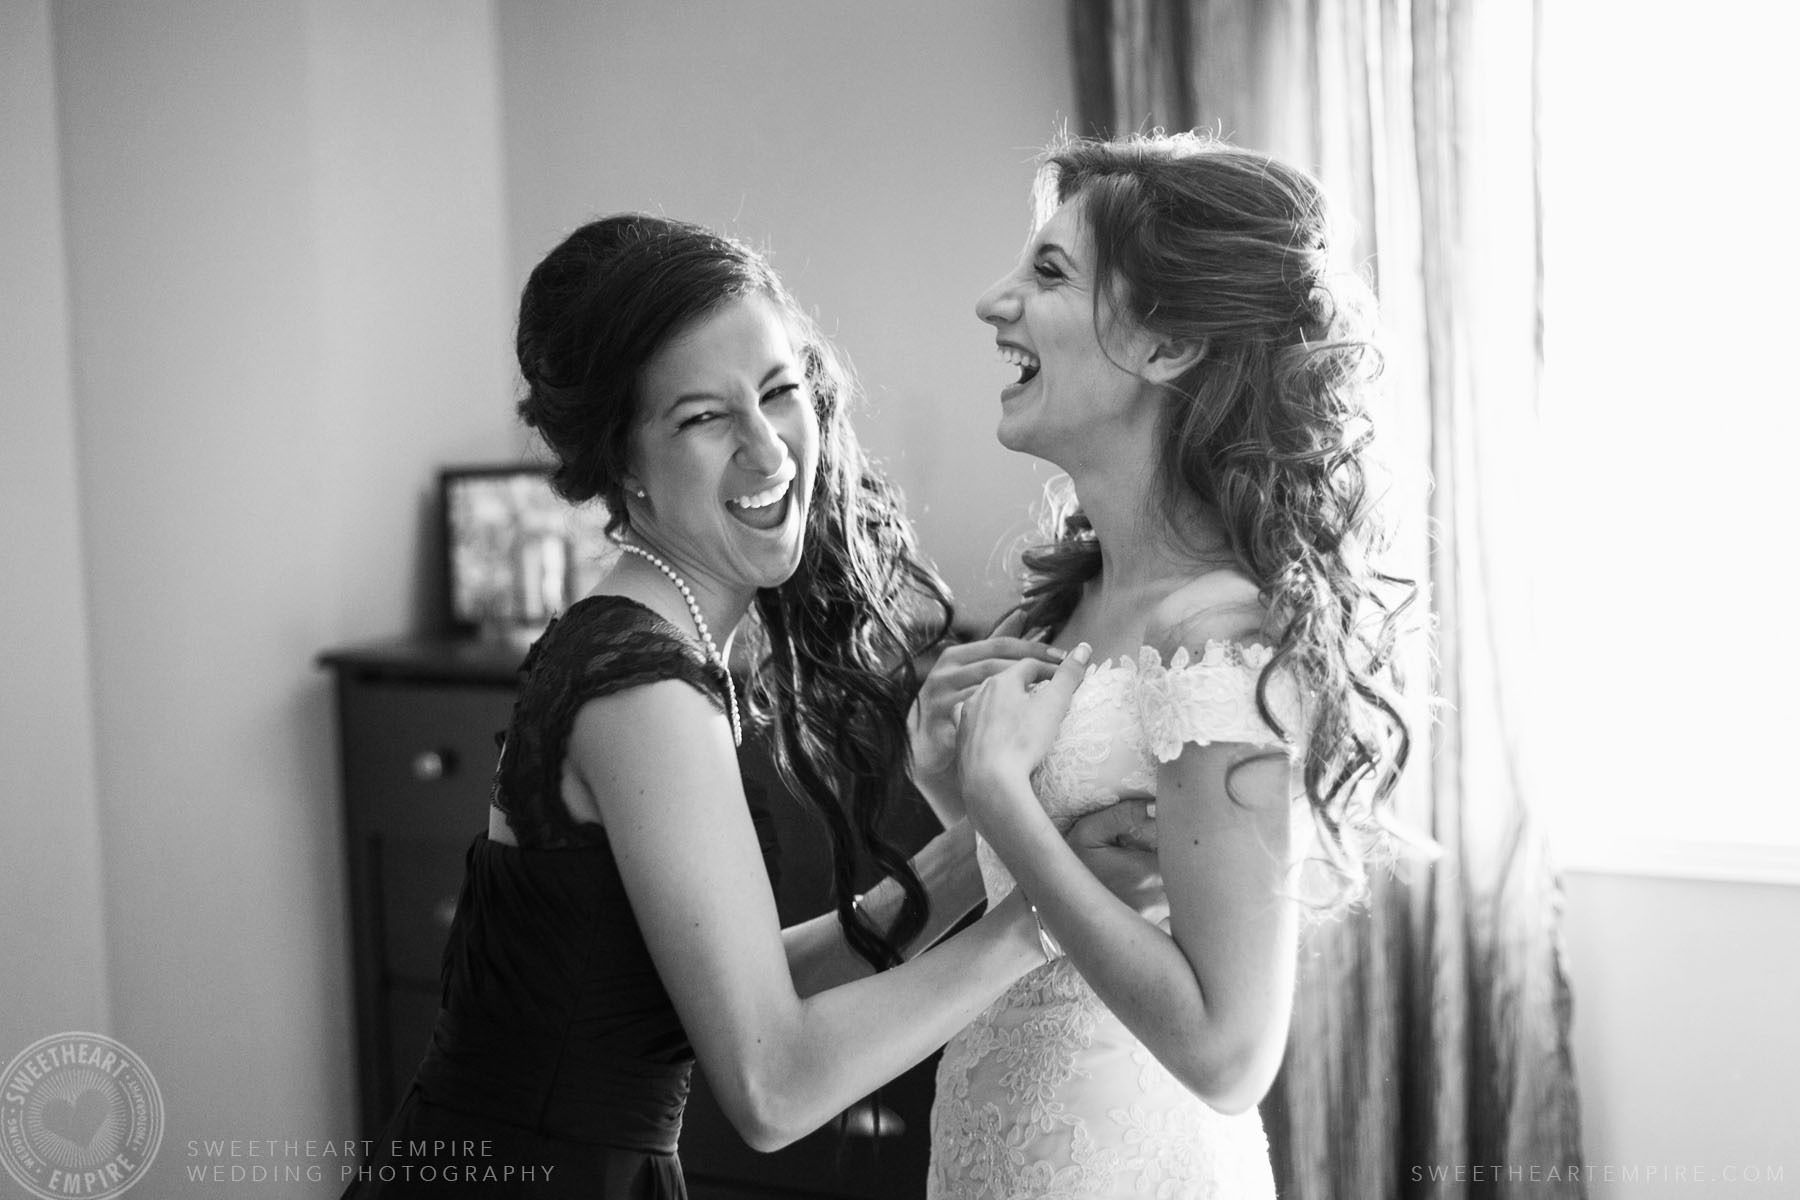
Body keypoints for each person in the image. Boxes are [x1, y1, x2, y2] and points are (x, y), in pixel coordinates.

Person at [343, 213, 1164, 1199]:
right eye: (703, 418)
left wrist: (984, 850)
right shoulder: (640, 685)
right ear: (621, 462)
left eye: (779, 393)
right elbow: (771, 1088)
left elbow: (725, 985)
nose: (769, 449)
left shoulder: (646, 636)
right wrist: (1044, 920)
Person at [913, 132, 1421, 1199]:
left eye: (1048, 272)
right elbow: (1063, 891)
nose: (992, 303)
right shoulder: (1085, 598)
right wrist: (953, 791)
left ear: (1168, 344)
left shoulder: (1218, 638)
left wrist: (1002, 801)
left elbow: (1230, 1054)